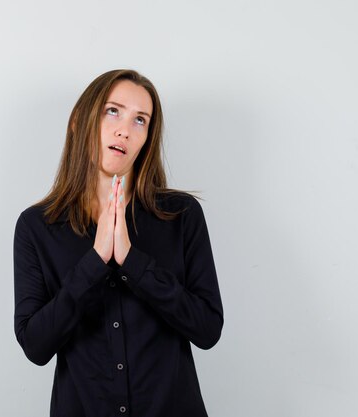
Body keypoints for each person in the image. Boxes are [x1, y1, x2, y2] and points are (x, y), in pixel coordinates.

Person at [13, 69, 224, 417]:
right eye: (113, 111)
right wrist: (95, 262)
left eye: (140, 120)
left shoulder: (182, 215)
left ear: (146, 139)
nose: (125, 129)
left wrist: (132, 262)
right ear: (79, 122)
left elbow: (207, 329)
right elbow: (36, 346)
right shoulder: (37, 227)